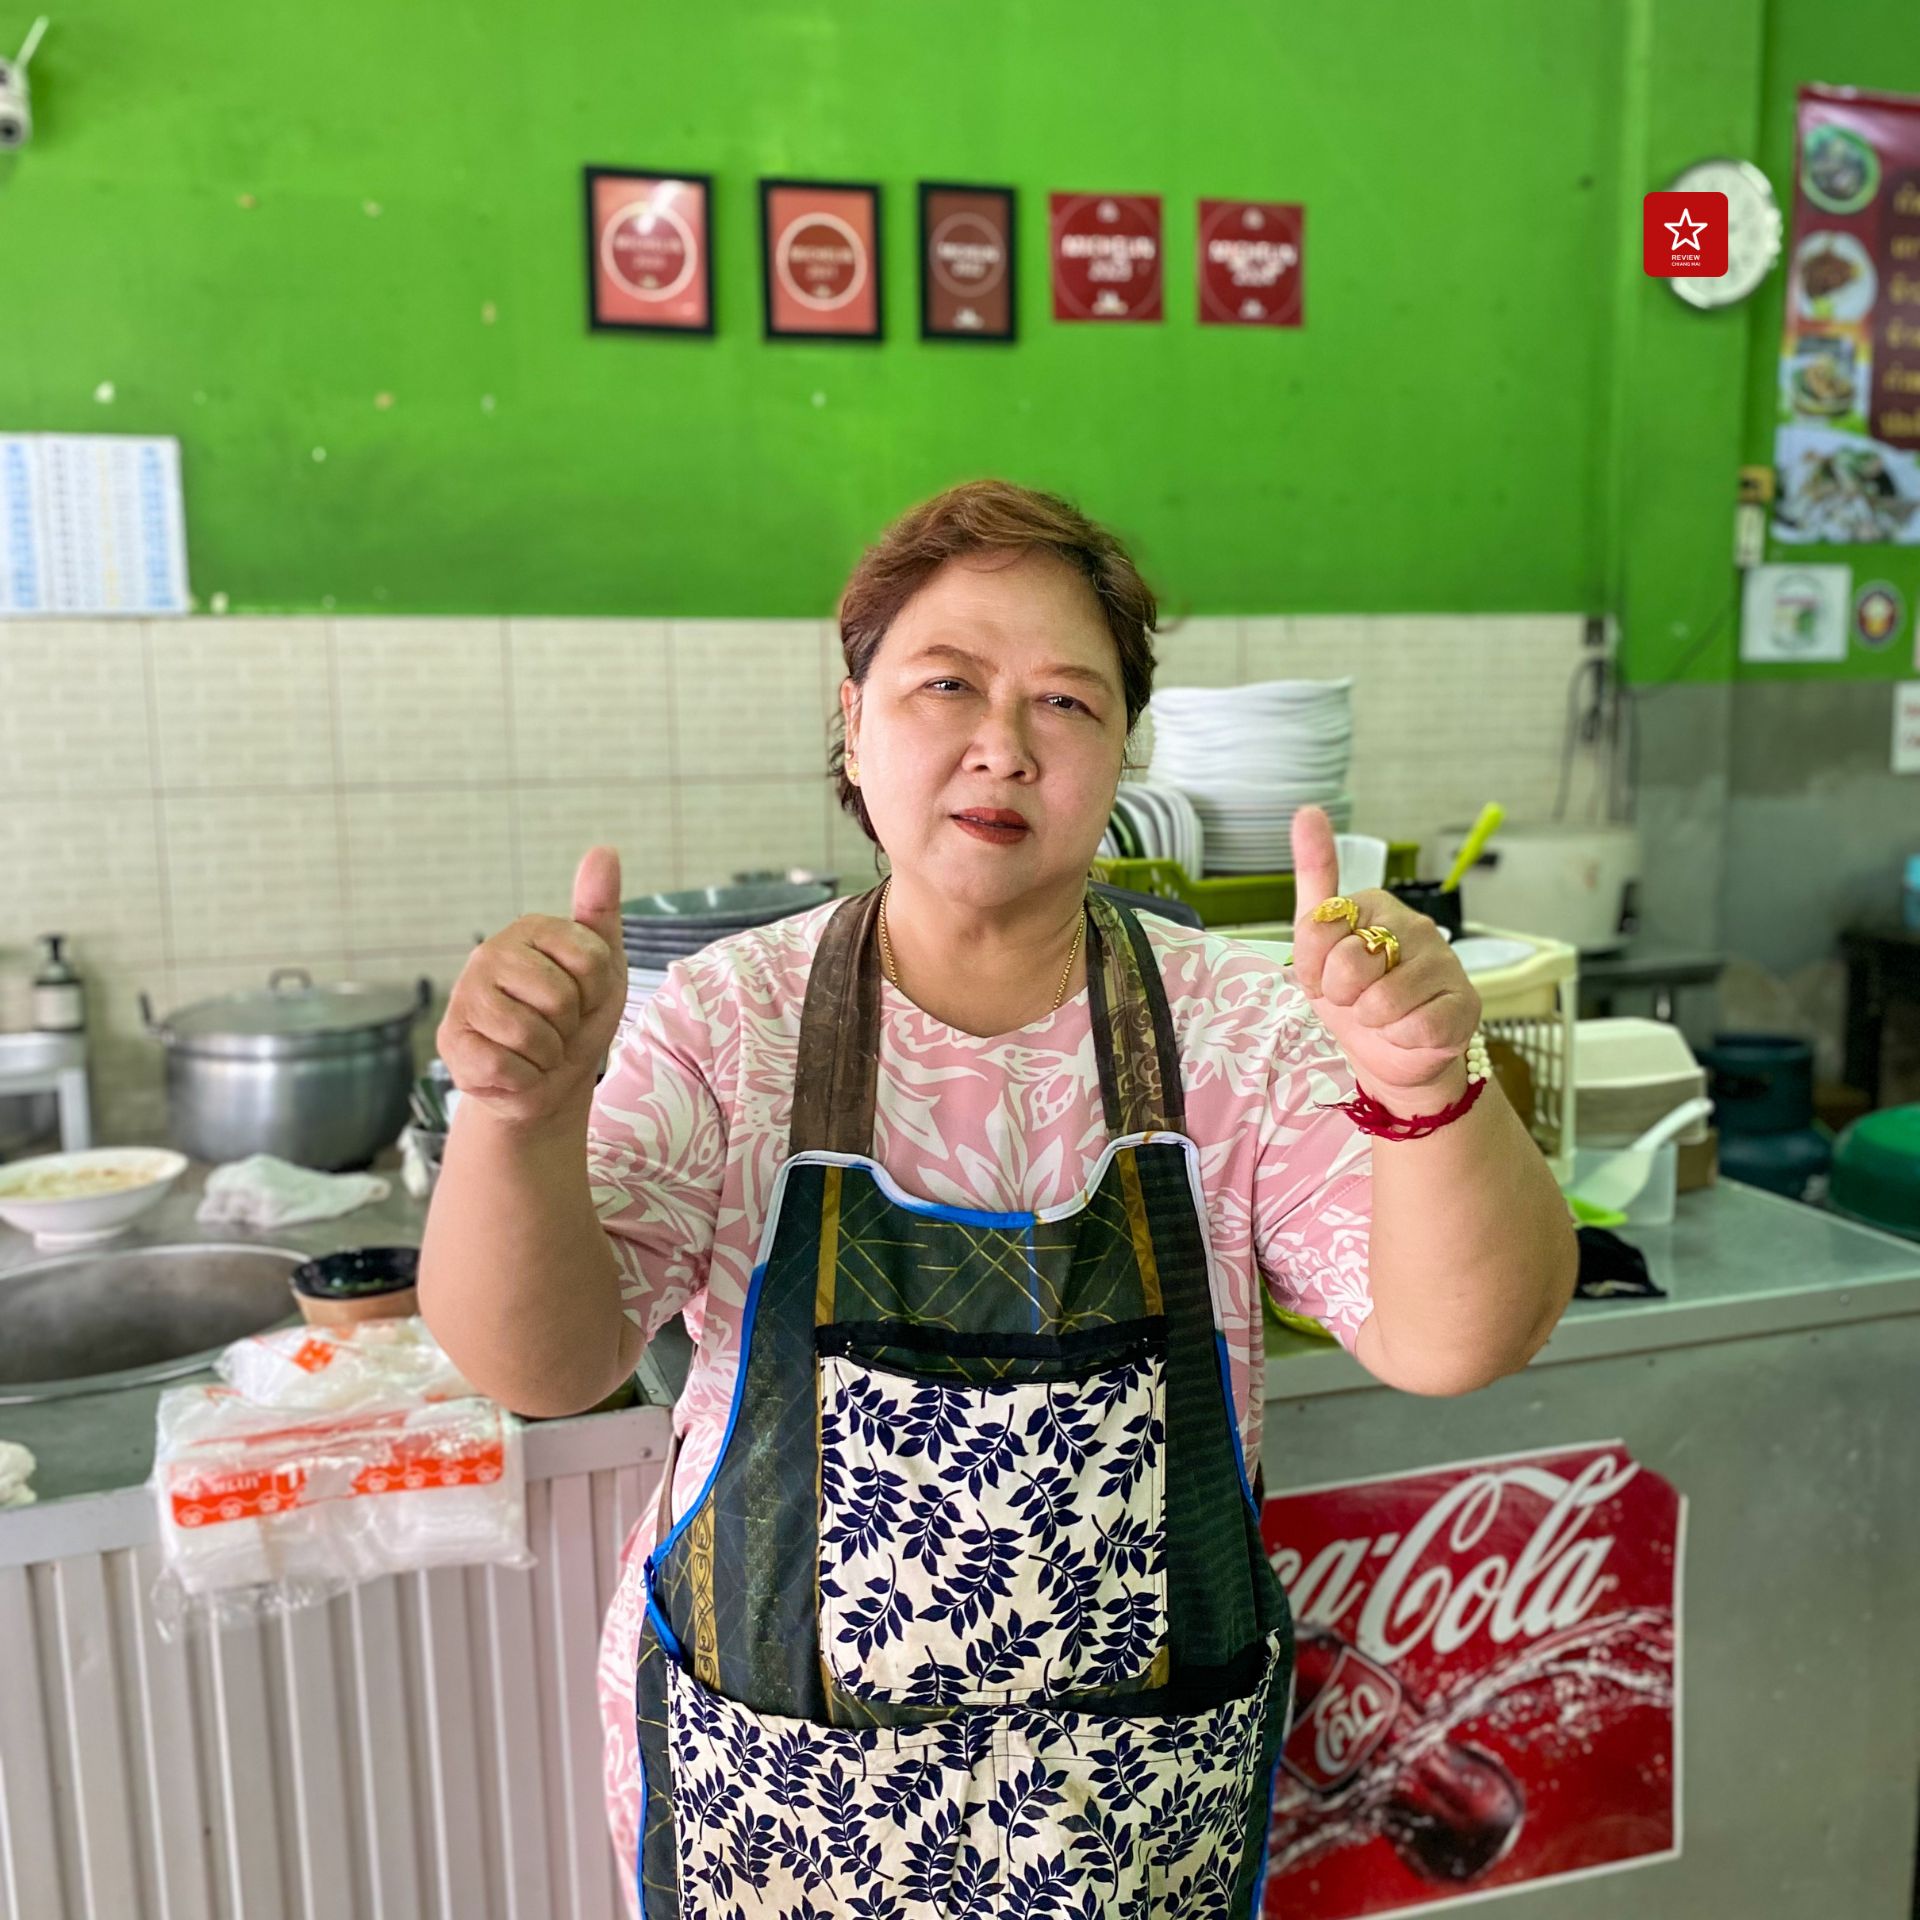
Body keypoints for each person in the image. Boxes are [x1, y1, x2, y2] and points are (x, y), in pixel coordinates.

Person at [419, 479, 1576, 1919]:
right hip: (776, 1815)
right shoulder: (730, 1020)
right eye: (945, 684)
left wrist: (1424, 1085)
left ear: (1123, 749)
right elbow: (539, 1363)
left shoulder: (1237, 1028)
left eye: (1068, 704)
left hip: (1129, 1825)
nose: (1002, 746)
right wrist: (517, 1117)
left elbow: (1460, 1338)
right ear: (853, 721)